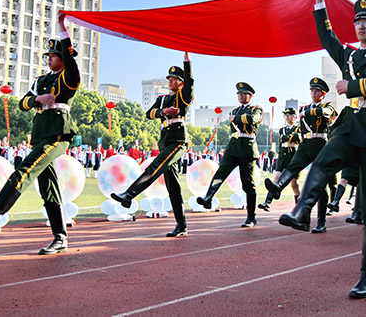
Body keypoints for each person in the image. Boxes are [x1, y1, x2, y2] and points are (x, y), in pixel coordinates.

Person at [278, 0, 366, 299]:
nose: (360, 26)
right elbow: (327, 38)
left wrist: (352, 86)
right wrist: (319, 1)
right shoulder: (349, 55)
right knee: (324, 159)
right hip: (349, 125)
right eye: (357, 21)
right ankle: (302, 211)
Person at [0, 13, 79, 255]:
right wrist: (37, 99)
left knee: (23, 171)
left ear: (63, 58)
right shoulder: (41, 81)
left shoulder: (68, 77)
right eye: (48, 56)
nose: (49, 59)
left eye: (54, 56)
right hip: (41, 134)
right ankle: (60, 237)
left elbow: (69, 57)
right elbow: (23, 103)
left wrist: (62, 27)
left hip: (58, 134)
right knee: (49, 188)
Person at [111, 53, 194, 238]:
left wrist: (187, 62)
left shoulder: (183, 96)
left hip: (178, 140)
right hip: (165, 140)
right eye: (169, 78)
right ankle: (181, 225)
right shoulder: (163, 99)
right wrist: (163, 111)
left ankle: (129, 194)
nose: (170, 81)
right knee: (173, 187)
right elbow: (149, 114)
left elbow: (190, 82)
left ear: (181, 83)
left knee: (155, 166)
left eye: (174, 79)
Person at [265, 77, 336, 233]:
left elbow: (326, 113)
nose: (313, 93)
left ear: (323, 94)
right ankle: (278, 187)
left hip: (320, 144)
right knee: (293, 166)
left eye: (317, 91)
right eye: (312, 90)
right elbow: (304, 116)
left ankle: (321, 221)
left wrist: (309, 112)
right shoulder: (304, 108)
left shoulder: (327, 106)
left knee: (320, 184)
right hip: (305, 144)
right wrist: (308, 112)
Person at [197, 82, 263, 228]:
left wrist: (236, 119)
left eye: (244, 94)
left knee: (248, 184)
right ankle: (208, 197)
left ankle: (251, 217)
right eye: (239, 94)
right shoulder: (234, 111)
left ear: (250, 96)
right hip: (233, 147)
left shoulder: (256, 109)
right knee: (220, 173)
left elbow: (252, 119)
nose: (241, 96)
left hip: (246, 148)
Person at [258, 107, 302, 212]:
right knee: (276, 178)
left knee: (294, 184)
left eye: (289, 115)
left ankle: (298, 206)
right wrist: (290, 137)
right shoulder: (282, 129)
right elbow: (282, 140)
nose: (287, 117)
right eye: (285, 115)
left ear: (294, 116)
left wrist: (288, 137)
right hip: (283, 156)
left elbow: (298, 138)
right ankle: (267, 202)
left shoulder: (299, 128)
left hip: (293, 156)